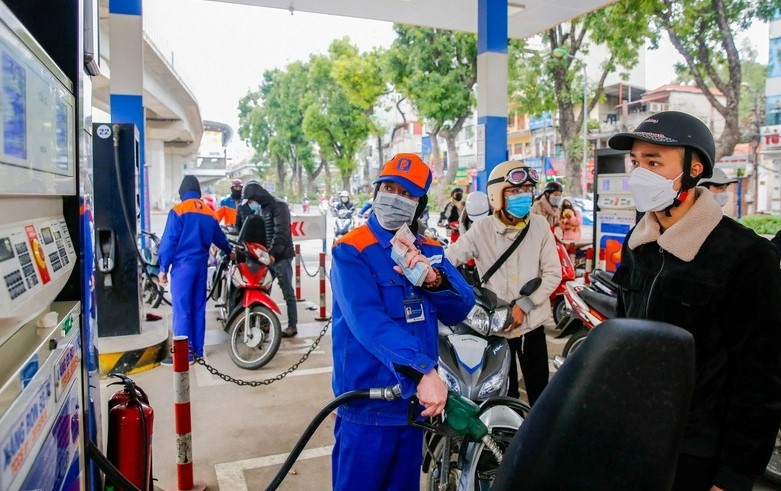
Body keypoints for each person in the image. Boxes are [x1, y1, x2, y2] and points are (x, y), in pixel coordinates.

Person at [607, 110, 781, 491]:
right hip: (634, 438)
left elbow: (761, 381)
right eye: (636, 162)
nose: (640, 173)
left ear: (694, 168)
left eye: (654, 162)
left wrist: (734, 476)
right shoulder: (639, 245)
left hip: (700, 454)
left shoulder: (744, 255)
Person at [330, 153, 475, 491]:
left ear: (419, 204)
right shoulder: (351, 250)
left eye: (408, 194)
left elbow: (462, 305)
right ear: (377, 190)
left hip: (412, 411)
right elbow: (369, 321)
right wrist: (423, 370)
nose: (397, 198)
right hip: (367, 410)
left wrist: (433, 281)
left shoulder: (427, 248)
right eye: (391, 188)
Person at [446, 162, 561, 405]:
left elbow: (553, 273)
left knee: (540, 392)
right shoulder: (482, 230)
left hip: (533, 327)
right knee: (501, 392)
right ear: (497, 195)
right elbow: (449, 259)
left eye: (528, 190)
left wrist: (525, 305)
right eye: (514, 191)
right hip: (497, 330)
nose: (524, 196)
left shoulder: (540, 226)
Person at [158, 176, 231, 363]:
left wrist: (163, 268)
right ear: (198, 192)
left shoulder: (178, 210)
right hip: (201, 268)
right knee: (198, 309)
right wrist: (231, 252)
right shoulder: (209, 212)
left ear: (182, 193)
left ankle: (184, 355)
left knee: (182, 310)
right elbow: (221, 239)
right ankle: (197, 350)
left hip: (183, 268)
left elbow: (169, 241)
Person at [240, 182, 298, 338]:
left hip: (282, 256)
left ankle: (292, 325)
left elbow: (282, 233)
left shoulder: (279, 206)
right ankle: (265, 324)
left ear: (257, 197)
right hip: (267, 258)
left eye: (251, 201)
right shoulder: (262, 209)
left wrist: (272, 254)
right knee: (263, 290)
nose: (251, 204)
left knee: (287, 292)